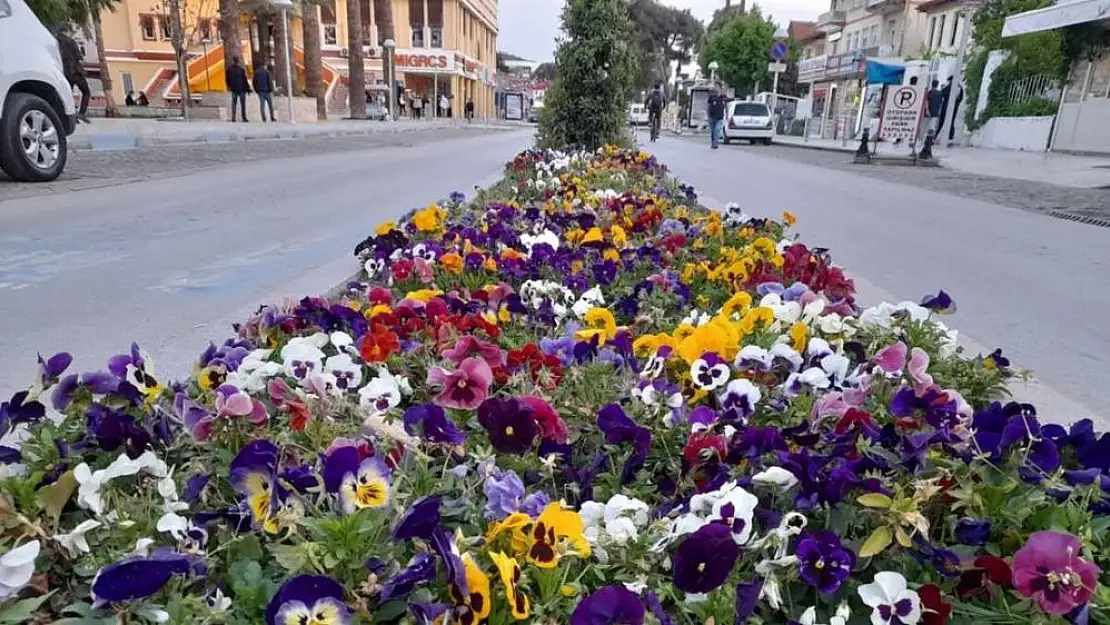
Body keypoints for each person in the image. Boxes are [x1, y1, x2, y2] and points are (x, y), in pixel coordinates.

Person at [55, 25, 90, 124]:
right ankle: (81, 113)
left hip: (64, 72)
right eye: (71, 32)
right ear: (67, 31)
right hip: (75, 71)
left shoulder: (55, 41)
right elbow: (78, 56)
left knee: (68, 94)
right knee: (86, 92)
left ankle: (72, 115)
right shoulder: (71, 42)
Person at [226, 56, 250, 122]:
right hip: (242, 89)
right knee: (243, 104)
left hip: (234, 89)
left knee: (234, 103)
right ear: (238, 61)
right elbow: (245, 80)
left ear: (233, 61)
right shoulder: (241, 70)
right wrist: (248, 89)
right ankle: (244, 117)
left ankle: (233, 117)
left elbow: (227, 79)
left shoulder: (229, 69)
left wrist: (229, 86)